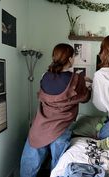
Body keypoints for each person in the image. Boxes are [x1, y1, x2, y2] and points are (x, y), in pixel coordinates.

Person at [20, 43, 91, 177]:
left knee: (29, 164)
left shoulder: (44, 76)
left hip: (40, 127)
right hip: (61, 128)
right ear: (70, 59)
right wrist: (85, 84)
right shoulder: (76, 79)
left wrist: (81, 81)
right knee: (59, 166)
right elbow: (85, 98)